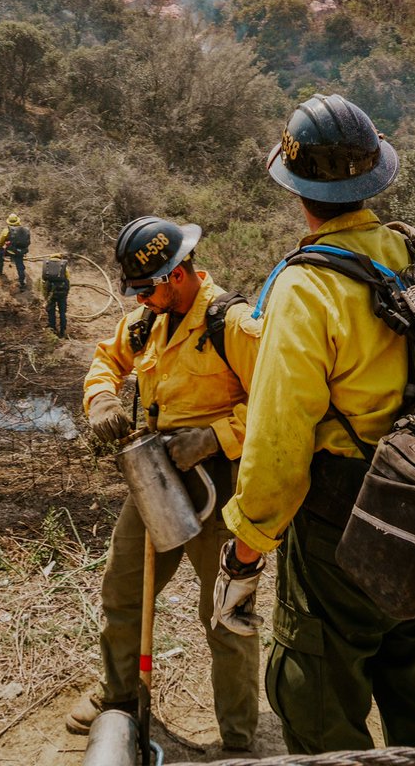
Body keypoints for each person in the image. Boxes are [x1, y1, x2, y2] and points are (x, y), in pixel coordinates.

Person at [214, 93, 415, 754]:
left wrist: (246, 550)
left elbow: (277, 443)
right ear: (373, 177)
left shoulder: (306, 288)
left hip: (340, 528)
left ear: (298, 193)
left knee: (321, 708)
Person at [66, 217, 261, 753]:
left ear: (177, 274)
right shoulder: (145, 322)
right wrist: (101, 397)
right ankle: (120, 699)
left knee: (226, 613)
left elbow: (277, 403)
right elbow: (106, 359)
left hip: (222, 487)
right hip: (155, 475)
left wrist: (215, 436)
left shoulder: (233, 324)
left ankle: (240, 736)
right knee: (123, 590)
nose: (141, 299)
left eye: (148, 288)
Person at [0, 212, 30, 290]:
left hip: (10, 251)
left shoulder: (6, 230)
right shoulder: (24, 230)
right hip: (21, 252)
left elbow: (1, 241)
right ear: (18, 221)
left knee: (0, 253)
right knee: (20, 266)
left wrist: (0, 247)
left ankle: (0, 270)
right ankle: (22, 283)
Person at [41, 252, 69, 337]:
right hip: (62, 293)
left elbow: (43, 281)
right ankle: (63, 330)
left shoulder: (47, 266)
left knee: (51, 312)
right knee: (62, 312)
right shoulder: (63, 267)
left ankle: (52, 328)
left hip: (51, 292)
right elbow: (68, 280)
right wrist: (66, 293)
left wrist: (46, 296)